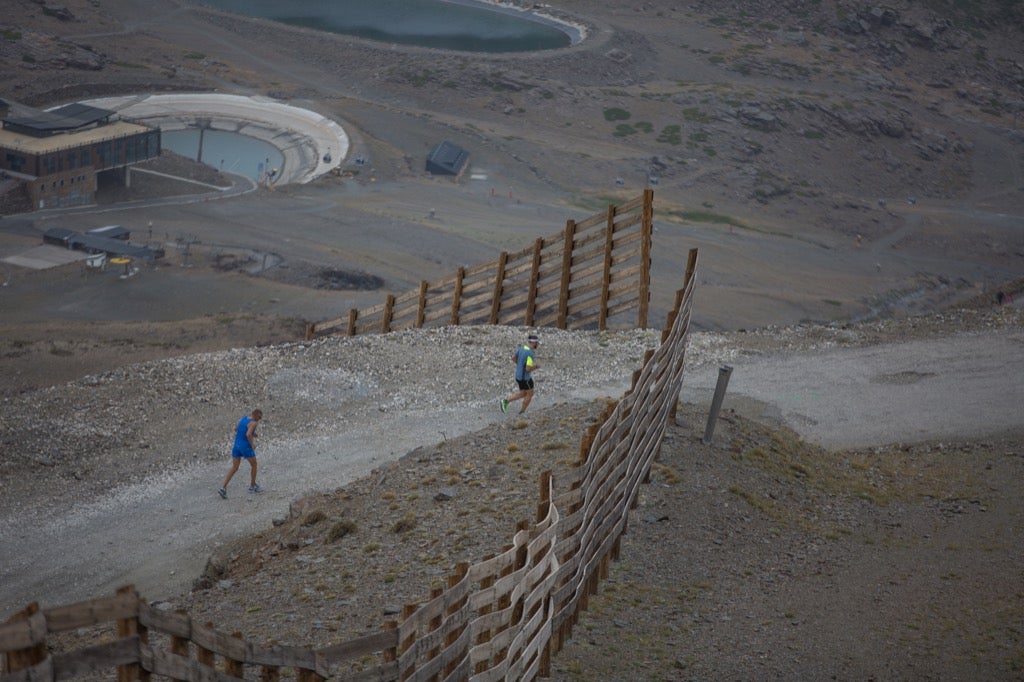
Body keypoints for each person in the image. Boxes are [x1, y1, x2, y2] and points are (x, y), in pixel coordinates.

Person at [218, 409, 263, 498]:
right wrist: (252, 444)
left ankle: (223, 487)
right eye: (259, 417)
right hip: (245, 447)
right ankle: (252, 486)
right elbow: (248, 434)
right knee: (254, 465)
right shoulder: (254, 423)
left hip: (236, 446)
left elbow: (237, 429)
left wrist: (253, 433)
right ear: (255, 415)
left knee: (235, 467)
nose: (260, 419)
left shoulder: (243, 419)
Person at [501, 334, 540, 414]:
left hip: (518, 376)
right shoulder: (530, 354)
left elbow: (513, 358)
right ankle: (522, 412)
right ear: (534, 343)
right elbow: (528, 369)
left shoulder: (521, 348)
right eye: (537, 343)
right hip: (526, 379)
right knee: (529, 394)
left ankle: (505, 401)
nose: (538, 344)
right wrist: (536, 366)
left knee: (523, 393)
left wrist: (520, 365)